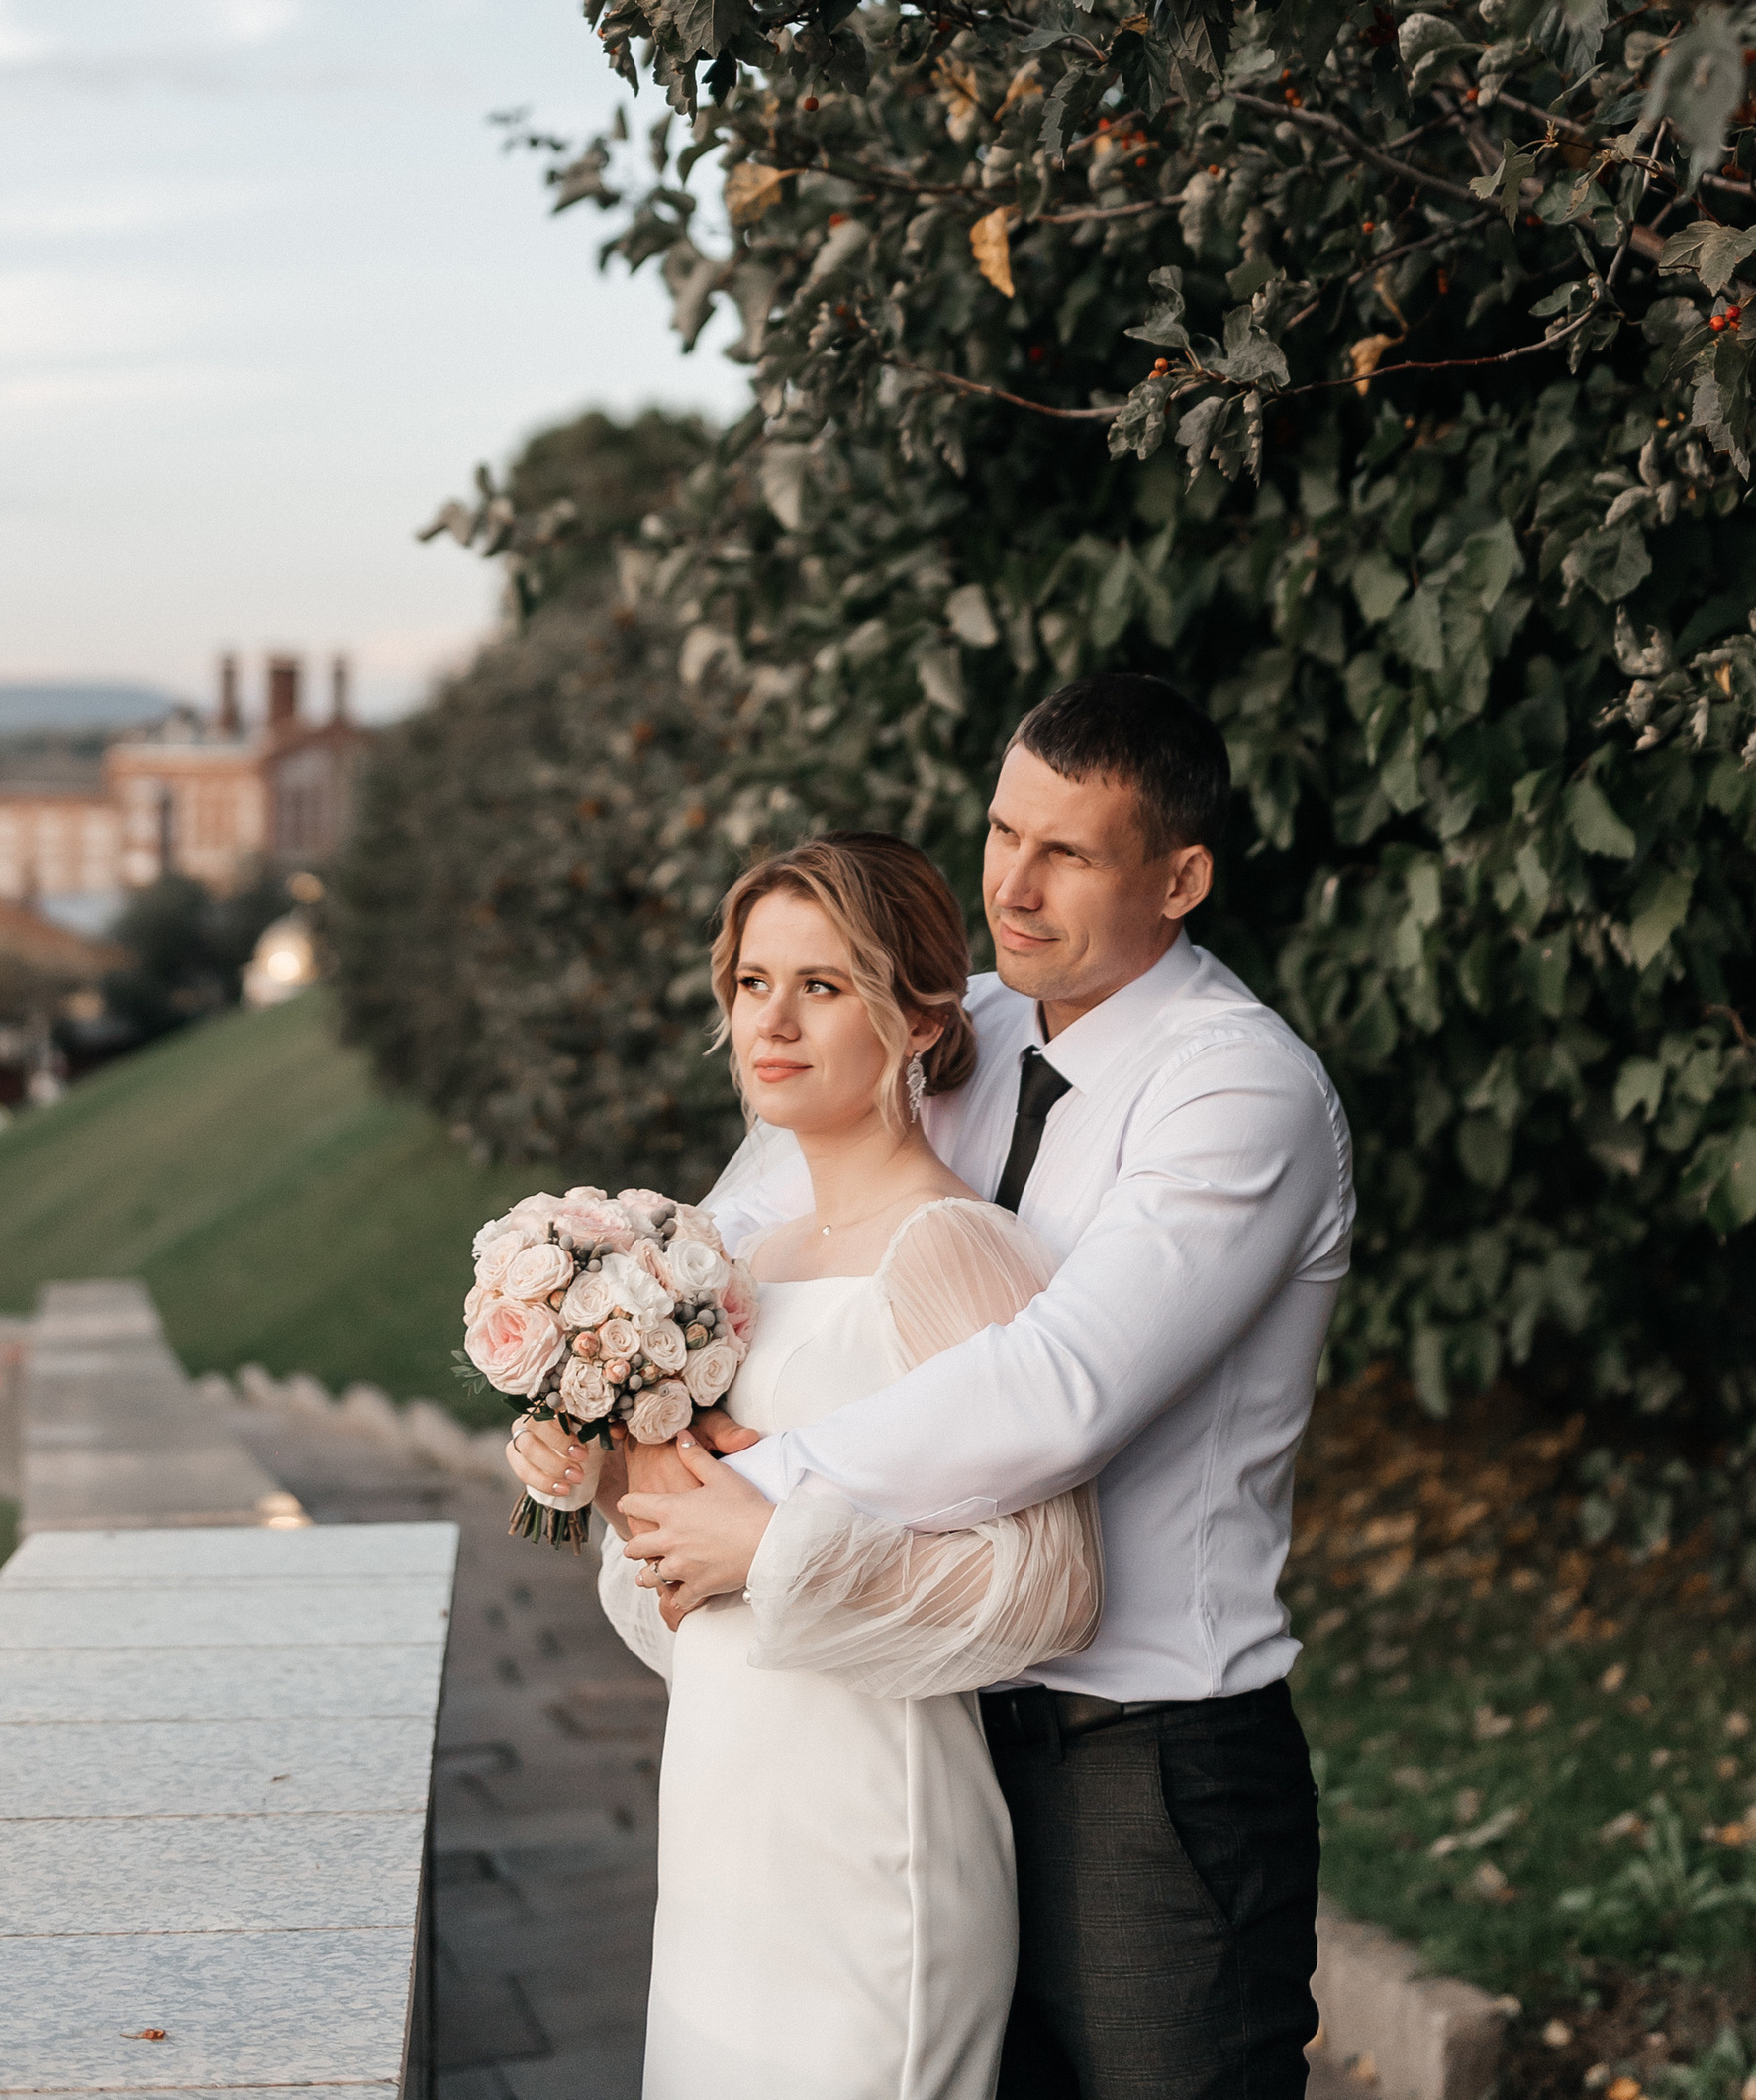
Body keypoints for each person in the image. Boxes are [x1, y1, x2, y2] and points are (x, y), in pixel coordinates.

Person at [615, 667, 1353, 2100]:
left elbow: (1058, 1384)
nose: (1009, 884)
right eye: (1003, 828)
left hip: (1138, 1756)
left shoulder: (1238, 1089)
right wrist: (613, 1375)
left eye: (1066, 849)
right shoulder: (970, 1030)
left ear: (1181, 874)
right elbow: (727, 1249)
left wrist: (758, 1499)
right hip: (915, 1723)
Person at [513, 832, 1103, 2100]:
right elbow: (690, 1587)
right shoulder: (732, 1269)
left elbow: (1049, 1584)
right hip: (724, 1814)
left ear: (919, 1018)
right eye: (750, 983)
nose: (770, 1020)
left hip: (873, 1834)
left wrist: (771, 1547)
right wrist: (609, 1485)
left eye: (822, 985)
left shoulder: (955, 1249)